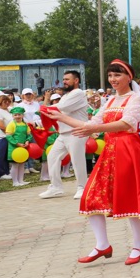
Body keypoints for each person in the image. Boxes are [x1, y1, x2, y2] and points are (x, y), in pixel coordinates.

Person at [51, 59, 140, 266]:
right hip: (109, 151)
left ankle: (138, 245)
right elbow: (92, 123)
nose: (113, 79)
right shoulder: (109, 101)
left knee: (130, 198)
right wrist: (61, 117)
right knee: (91, 197)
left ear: (129, 77)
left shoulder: (135, 99)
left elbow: (126, 123)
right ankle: (102, 245)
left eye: (117, 75)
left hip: (128, 150)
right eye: (110, 75)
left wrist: (92, 129)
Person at [37, 71, 90, 199]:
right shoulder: (66, 95)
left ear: (76, 80)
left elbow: (61, 108)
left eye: (67, 79)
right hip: (64, 132)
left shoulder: (79, 93)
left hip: (77, 131)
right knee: (52, 157)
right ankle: (55, 187)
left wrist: (45, 107)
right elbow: (57, 109)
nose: (64, 81)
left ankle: (83, 187)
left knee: (77, 160)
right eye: (63, 79)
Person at [5, 106, 33, 187]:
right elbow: (8, 136)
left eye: (19, 114)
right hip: (14, 148)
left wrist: (27, 141)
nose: (17, 116)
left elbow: (29, 134)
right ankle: (15, 182)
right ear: (13, 116)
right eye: (15, 115)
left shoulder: (25, 124)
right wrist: (17, 143)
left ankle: (21, 180)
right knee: (15, 165)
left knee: (22, 164)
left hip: (23, 147)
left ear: (22, 115)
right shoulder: (11, 124)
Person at [19, 88, 41, 174]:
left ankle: (31, 166)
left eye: (29, 94)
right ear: (23, 95)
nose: (28, 96)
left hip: (35, 128)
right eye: (26, 94)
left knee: (33, 146)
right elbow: (20, 116)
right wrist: (27, 124)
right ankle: (25, 167)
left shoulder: (36, 104)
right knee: (25, 146)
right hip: (24, 128)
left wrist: (35, 123)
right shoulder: (19, 105)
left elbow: (38, 114)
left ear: (32, 95)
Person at [0, 93, 12, 180]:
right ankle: (1, 173)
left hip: (9, 136)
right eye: (4, 101)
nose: (7, 103)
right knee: (0, 155)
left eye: (8, 101)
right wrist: (11, 132)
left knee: (6, 155)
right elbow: (1, 126)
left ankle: (6, 172)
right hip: (2, 136)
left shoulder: (10, 110)